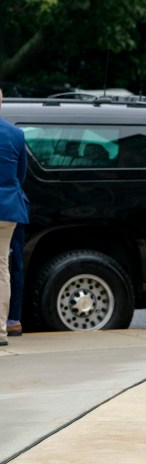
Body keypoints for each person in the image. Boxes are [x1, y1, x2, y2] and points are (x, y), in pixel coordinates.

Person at [0, 88, 29, 347]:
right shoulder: (16, 134)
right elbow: (21, 176)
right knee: (3, 269)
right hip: (8, 208)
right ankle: (1, 331)